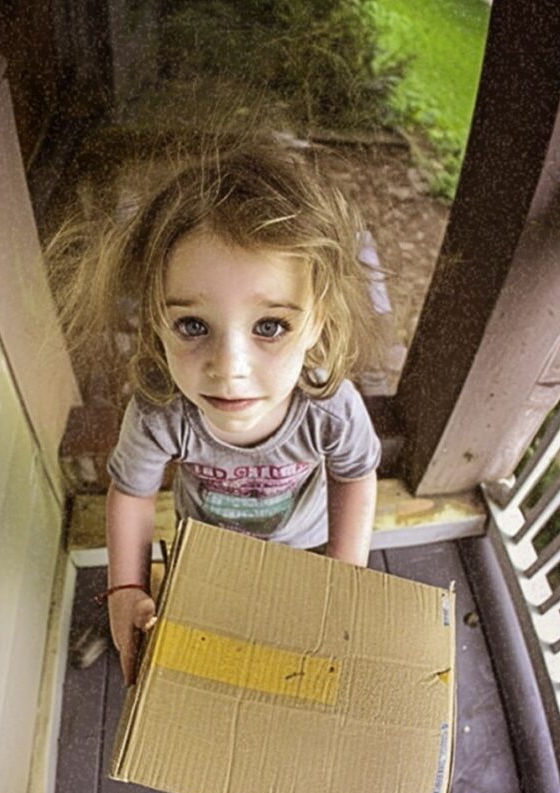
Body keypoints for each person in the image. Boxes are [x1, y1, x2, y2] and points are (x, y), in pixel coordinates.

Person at [51, 138, 382, 684]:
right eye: (193, 326)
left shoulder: (329, 405)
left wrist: (344, 580)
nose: (229, 368)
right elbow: (131, 491)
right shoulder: (160, 410)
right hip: (201, 551)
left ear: (318, 322)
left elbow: (355, 474)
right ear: (157, 322)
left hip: (304, 547)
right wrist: (127, 587)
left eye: (270, 326)